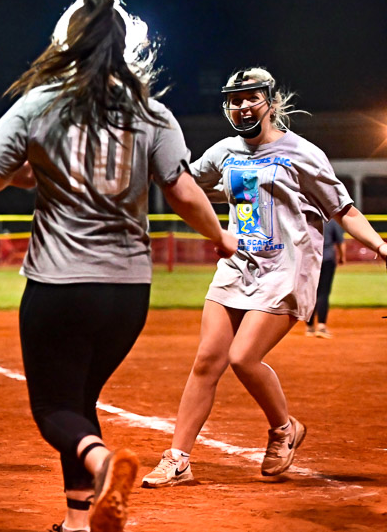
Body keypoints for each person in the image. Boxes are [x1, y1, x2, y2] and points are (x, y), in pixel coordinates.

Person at [0, 0, 238, 532]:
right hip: (128, 294)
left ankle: (104, 466)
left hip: (59, 284)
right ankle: (77, 523)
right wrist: (221, 236)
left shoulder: (40, 102)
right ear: (125, 48)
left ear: (68, 43)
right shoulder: (152, 111)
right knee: (80, 402)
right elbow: (184, 190)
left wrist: (38, 174)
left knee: (53, 410)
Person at [142, 68, 387, 488]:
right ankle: (178, 459)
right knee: (206, 362)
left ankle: (283, 430)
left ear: (271, 102)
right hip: (238, 268)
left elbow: (343, 209)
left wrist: (381, 246)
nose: (241, 106)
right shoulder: (224, 152)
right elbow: (181, 181)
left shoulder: (302, 152)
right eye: (234, 100)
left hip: (286, 273)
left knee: (242, 358)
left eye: (250, 97)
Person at [305, 220, 345, 338]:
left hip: (309, 260)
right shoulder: (331, 221)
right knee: (323, 293)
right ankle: (321, 327)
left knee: (311, 293)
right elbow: (340, 241)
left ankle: (309, 327)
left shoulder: (306, 219)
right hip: (327, 258)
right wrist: (342, 257)